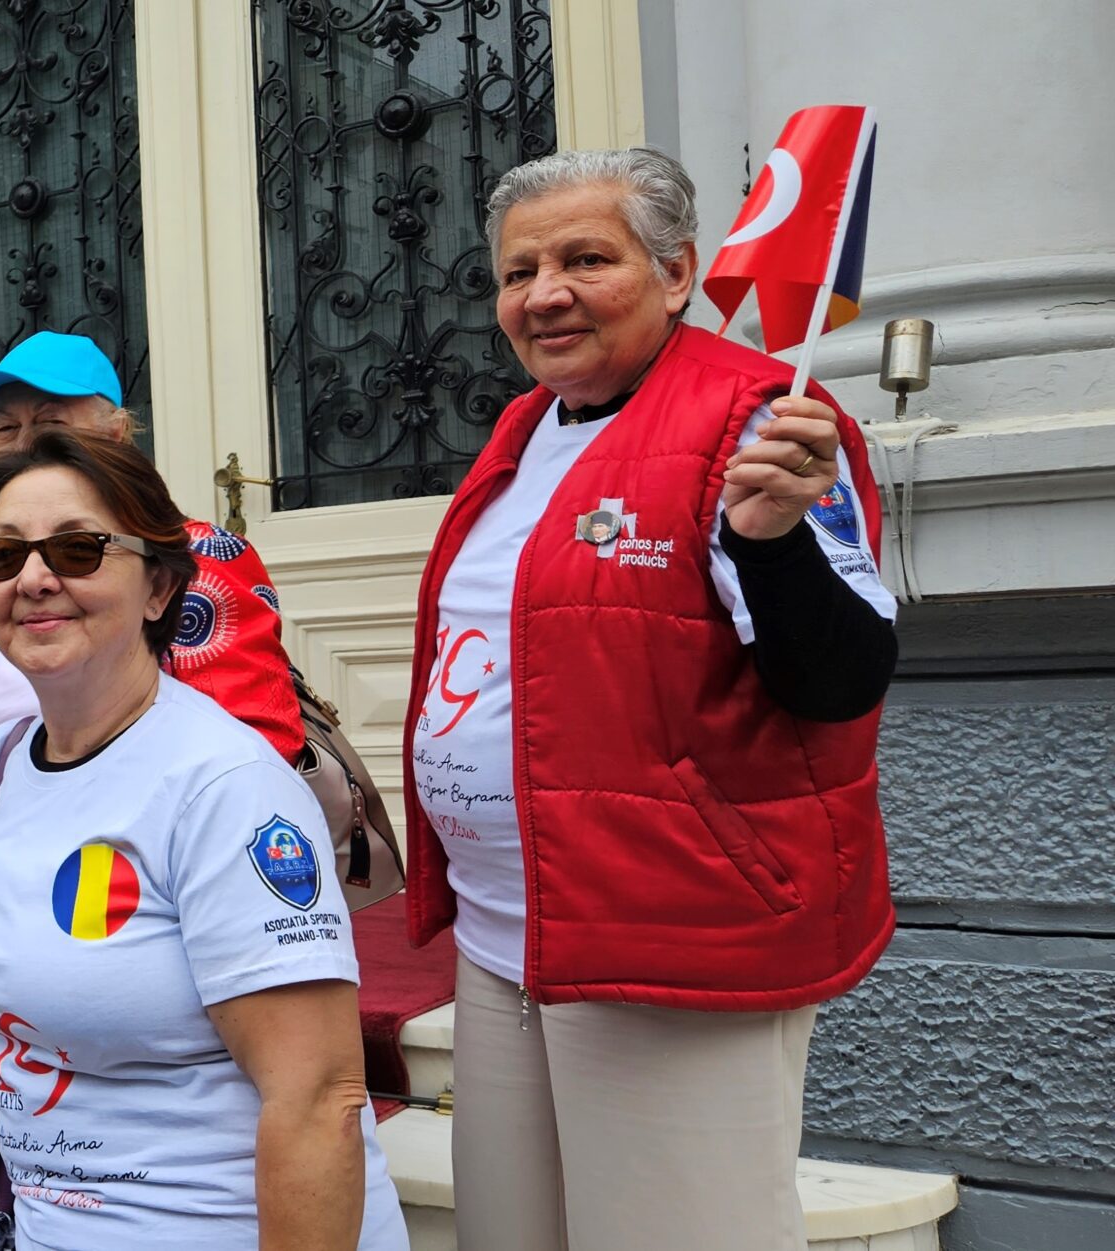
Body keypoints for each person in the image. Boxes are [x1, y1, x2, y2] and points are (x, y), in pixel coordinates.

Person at [402, 147, 899, 1250]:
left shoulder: (759, 418)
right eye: (518, 272)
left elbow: (839, 681)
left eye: (586, 260)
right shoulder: (524, 427)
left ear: (676, 274)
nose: (544, 294)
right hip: (507, 939)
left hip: (669, 933)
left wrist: (770, 545)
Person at [0, 432, 407, 1251]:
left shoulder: (223, 786)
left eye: (78, 549)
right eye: (5, 554)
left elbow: (317, 1098)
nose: (34, 578)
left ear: (158, 587)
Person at [0, 330, 304, 894]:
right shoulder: (5, 568)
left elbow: (258, 749)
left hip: (131, 882)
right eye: (7, 429)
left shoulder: (197, 556)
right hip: (10, 867)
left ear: (117, 434)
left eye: (51, 424)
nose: (27, 445)